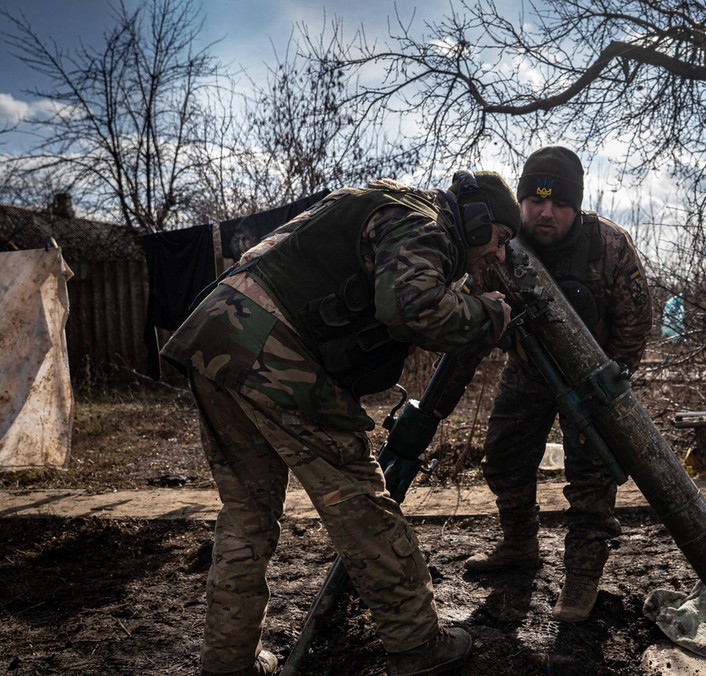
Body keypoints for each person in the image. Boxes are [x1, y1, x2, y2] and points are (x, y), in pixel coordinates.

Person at [161, 172, 520, 676]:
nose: (499, 255)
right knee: (361, 505)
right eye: (500, 239)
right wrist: (487, 315)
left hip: (215, 337)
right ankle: (417, 644)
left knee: (246, 513)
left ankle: (228, 663)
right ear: (478, 218)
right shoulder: (428, 224)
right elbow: (412, 309)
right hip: (272, 353)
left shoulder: (386, 200)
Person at [464, 146, 653, 623]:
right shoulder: (500, 243)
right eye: (536, 201)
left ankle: (581, 578)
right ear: (523, 201)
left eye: (560, 204)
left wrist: (614, 380)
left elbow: (636, 318)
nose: (546, 213)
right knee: (504, 455)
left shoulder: (609, 245)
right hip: (528, 369)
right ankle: (519, 544)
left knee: (591, 480)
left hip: (593, 380)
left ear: (576, 205)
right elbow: (473, 303)